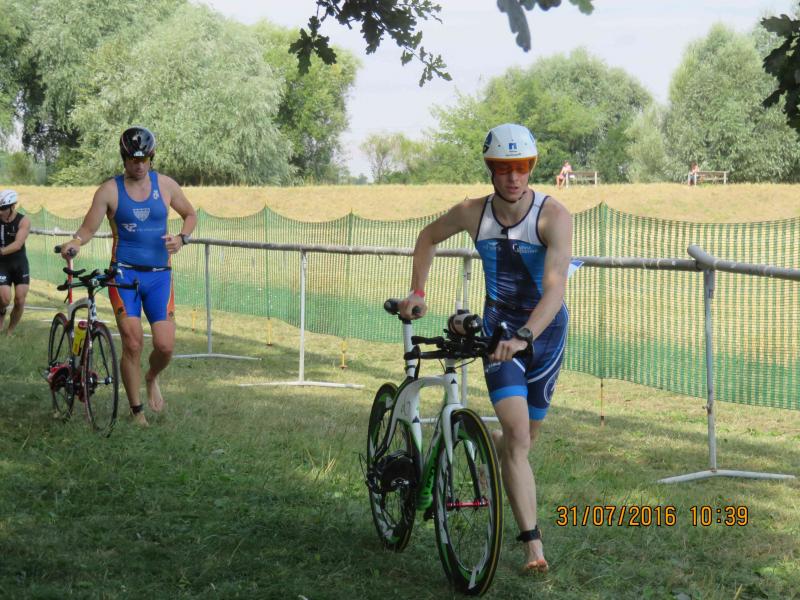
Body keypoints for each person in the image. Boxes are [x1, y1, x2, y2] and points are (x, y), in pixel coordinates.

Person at [398, 123, 572, 574]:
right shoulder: (473, 212)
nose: (513, 177)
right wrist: (418, 291)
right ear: (490, 170)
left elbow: (555, 290)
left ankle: (483, 447)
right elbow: (427, 237)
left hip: (544, 336)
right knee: (517, 438)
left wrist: (525, 337)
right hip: (498, 334)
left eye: (522, 167)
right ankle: (533, 547)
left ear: (532, 168)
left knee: (523, 440)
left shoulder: (554, 216)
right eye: (503, 168)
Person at [60, 126, 197, 426]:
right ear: (124, 158)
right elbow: (87, 228)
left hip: (160, 277)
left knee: (165, 346)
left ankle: (151, 376)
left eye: (144, 159)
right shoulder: (109, 190)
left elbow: (191, 214)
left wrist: (182, 238)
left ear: (151, 157)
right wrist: (76, 242)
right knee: (133, 343)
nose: (139, 165)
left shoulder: (166, 185)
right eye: (133, 159)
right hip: (124, 277)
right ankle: (137, 412)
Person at [0, 190, 31, 335]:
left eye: (3, 208)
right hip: (2, 264)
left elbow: (18, 244)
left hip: (19, 263)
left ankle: (10, 331)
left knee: (19, 300)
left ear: (12, 207)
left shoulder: (23, 221)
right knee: (5, 299)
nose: (0, 211)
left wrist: (1, 251)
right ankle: (2, 310)